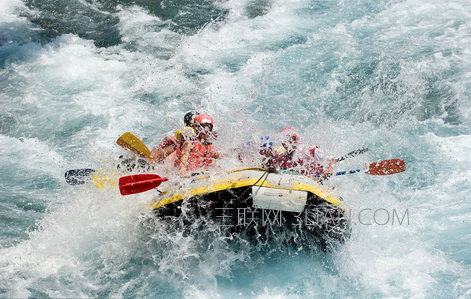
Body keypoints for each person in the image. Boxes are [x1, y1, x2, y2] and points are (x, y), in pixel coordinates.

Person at [271, 127, 336, 181]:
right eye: (284, 140)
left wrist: (329, 170)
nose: (288, 142)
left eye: (291, 139)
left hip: (316, 184)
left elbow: (332, 160)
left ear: (295, 140)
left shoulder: (310, 151)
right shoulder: (280, 157)